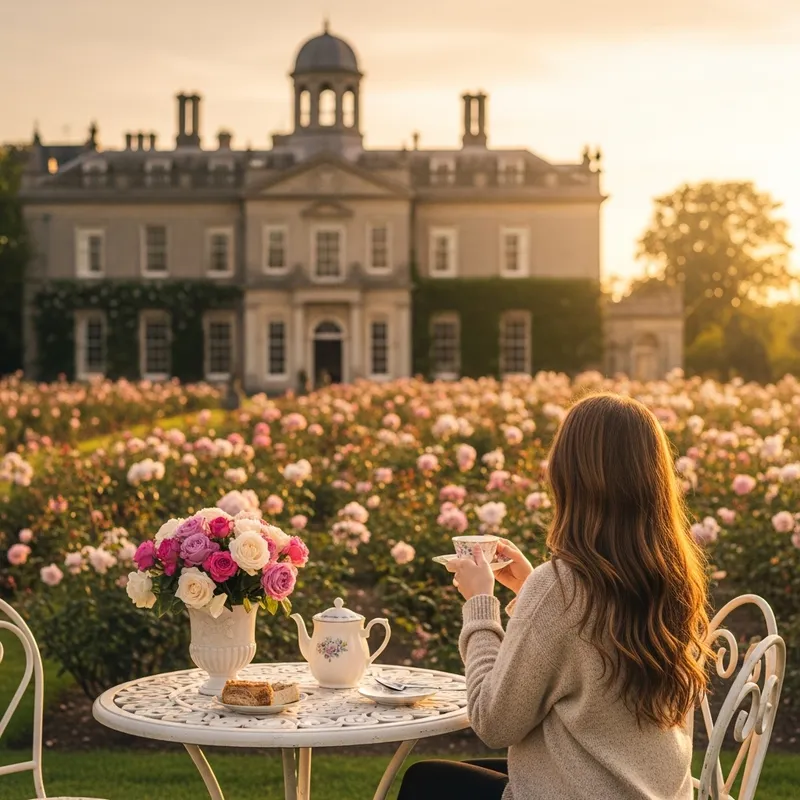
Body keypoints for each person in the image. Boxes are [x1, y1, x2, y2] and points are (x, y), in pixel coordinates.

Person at [398, 393, 711, 800]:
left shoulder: (560, 588)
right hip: (649, 791)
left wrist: (480, 605)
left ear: (570, 477)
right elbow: (586, 650)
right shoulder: (673, 578)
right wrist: (528, 589)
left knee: (425, 782)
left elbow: (493, 722)